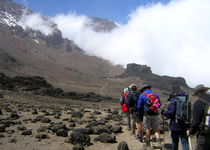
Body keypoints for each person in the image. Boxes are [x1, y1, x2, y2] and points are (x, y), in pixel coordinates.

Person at [161, 86, 190, 150]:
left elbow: (171, 112)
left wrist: (163, 112)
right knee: (184, 142)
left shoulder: (174, 100)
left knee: (175, 141)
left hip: (175, 125)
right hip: (185, 124)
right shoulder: (186, 99)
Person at [138, 84, 161, 149]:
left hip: (147, 114)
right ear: (149, 88)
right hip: (155, 114)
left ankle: (148, 145)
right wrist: (154, 109)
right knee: (156, 129)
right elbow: (159, 104)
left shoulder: (142, 95)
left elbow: (139, 106)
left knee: (147, 129)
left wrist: (140, 114)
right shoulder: (156, 95)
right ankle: (159, 143)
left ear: (143, 89)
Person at [187, 84, 210, 150]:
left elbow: (196, 122)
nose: (197, 96)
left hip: (205, 136)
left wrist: (191, 131)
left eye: (197, 94)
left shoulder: (198, 103)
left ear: (199, 92)